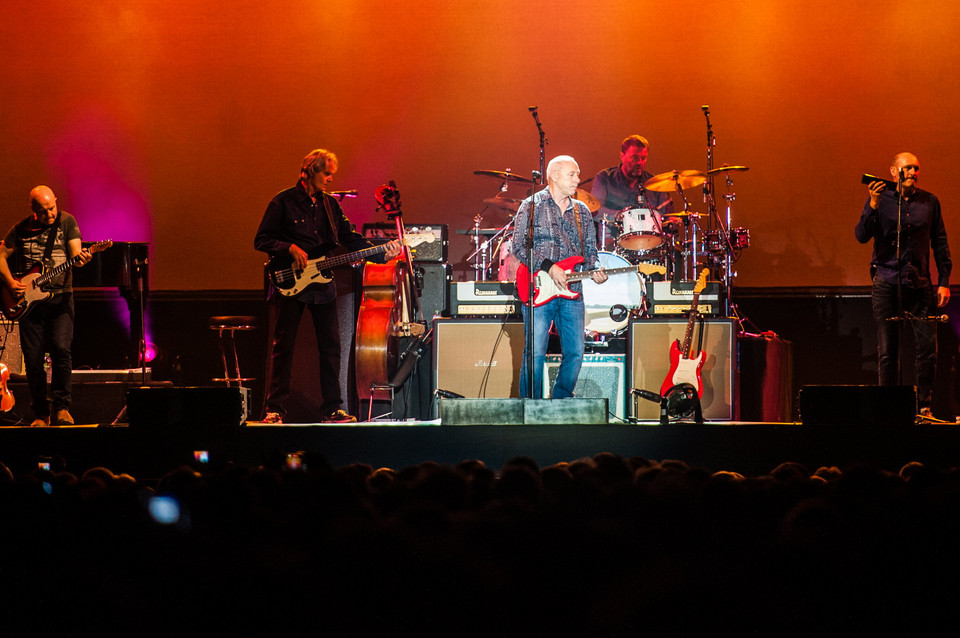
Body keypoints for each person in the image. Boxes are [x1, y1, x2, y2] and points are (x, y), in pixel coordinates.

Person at [254, 149, 401, 424]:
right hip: (289, 279)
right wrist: (289, 247)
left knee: (331, 347)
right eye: (327, 173)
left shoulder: (331, 206)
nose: (331, 179)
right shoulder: (282, 202)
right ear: (310, 171)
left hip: (322, 282)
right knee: (283, 347)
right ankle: (274, 410)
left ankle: (332, 409)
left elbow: (351, 239)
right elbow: (261, 240)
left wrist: (382, 253)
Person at [856, 152, 951, 417]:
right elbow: (861, 235)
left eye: (916, 168)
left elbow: (940, 242)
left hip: (920, 284)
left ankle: (924, 407)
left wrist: (944, 281)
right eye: (907, 168)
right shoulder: (881, 200)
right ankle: (887, 408)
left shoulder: (929, 201)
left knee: (928, 351)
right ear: (893, 171)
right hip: (887, 282)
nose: (912, 172)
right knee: (888, 352)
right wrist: (873, 204)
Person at [510, 155, 607, 399]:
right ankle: (531, 407)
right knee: (535, 352)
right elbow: (519, 246)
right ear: (553, 175)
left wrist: (595, 268)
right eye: (572, 174)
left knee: (575, 352)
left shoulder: (581, 211)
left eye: (577, 174)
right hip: (539, 288)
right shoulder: (531, 205)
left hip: (572, 292)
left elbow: (590, 251)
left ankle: (561, 401)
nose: (577, 179)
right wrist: (549, 267)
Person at [0, 186, 92, 426]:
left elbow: (75, 253)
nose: (50, 215)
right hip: (29, 302)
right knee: (32, 359)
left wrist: (81, 258)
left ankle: (62, 409)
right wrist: (11, 283)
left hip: (60, 298)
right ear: (33, 210)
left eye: (52, 208)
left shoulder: (66, 221)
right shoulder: (20, 229)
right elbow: (0, 256)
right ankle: (41, 413)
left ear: (56, 202)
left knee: (62, 351)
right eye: (43, 211)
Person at [590, 134, 675, 246]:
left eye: (643, 158)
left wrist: (672, 220)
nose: (639, 162)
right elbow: (595, 210)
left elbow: (666, 216)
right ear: (622, 156)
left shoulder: (655, 183)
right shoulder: (605, 177)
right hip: (614, 242)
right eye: (634, 157)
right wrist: (622, 216)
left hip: (649, 244)